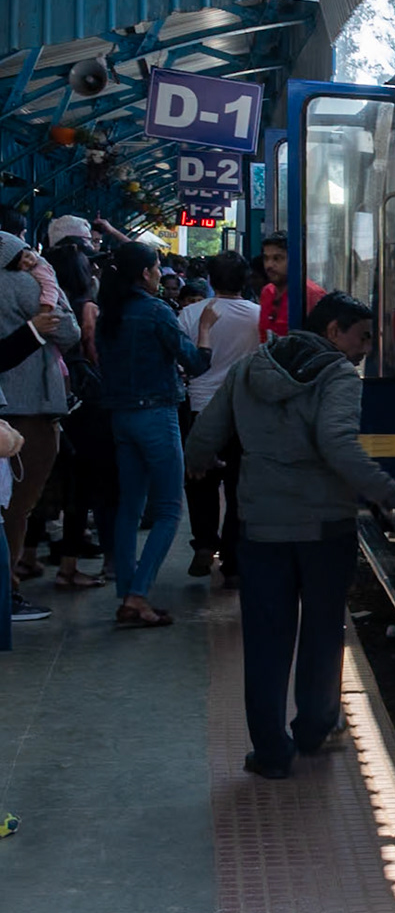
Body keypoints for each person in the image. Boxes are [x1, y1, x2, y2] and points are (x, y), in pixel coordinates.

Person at [187, 291, 395, 779]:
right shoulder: (338, 375)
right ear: (332, 332)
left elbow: (205, 431)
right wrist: (391, 492)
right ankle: (315, 725)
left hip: (259, 527)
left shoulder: (249, 367)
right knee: (322, 631)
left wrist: (200, 463)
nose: (366, 348)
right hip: (324, 527)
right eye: (361, 337)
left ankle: (271, 752)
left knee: (265, 639)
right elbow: (337, 444)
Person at [95, 241, 215, 628]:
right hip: (157, 417)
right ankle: (138, 594)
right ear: (145, 273)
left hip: (121, 418)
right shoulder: (156, 312)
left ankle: (127, 591)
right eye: (156, 267)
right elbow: (195, 363)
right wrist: (206, 331)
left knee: (130, 507)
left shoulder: (108, 314)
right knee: (167, 510)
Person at [0, 233, 79, 620]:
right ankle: (7, 590)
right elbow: (68, 331)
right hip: (27, 410)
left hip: (6, 407)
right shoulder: (23, 284)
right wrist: (46, 276)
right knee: (16, 505)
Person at [177, 252, 258, 584]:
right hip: (245, 409)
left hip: (200, 406)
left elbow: (183, 363)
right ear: (246, 280)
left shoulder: (190, 314)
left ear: (210, 280)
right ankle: (233, 560)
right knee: (239, 484)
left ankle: (204, 543)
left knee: (199, 481)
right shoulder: (258, 316)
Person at [42, 240, 112, 591]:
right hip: (82, 402)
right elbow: (92, 350)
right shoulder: (84, 308)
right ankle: (68, 567)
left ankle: (25, 558)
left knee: (46, 480)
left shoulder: (41, 302)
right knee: (81, 484)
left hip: (49, 396)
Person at [256, 232, 325, 341]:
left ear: (294, 260)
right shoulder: (267, 292)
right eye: (266, 258)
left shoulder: (311, 294)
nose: (269, 265)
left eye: (277, 258)